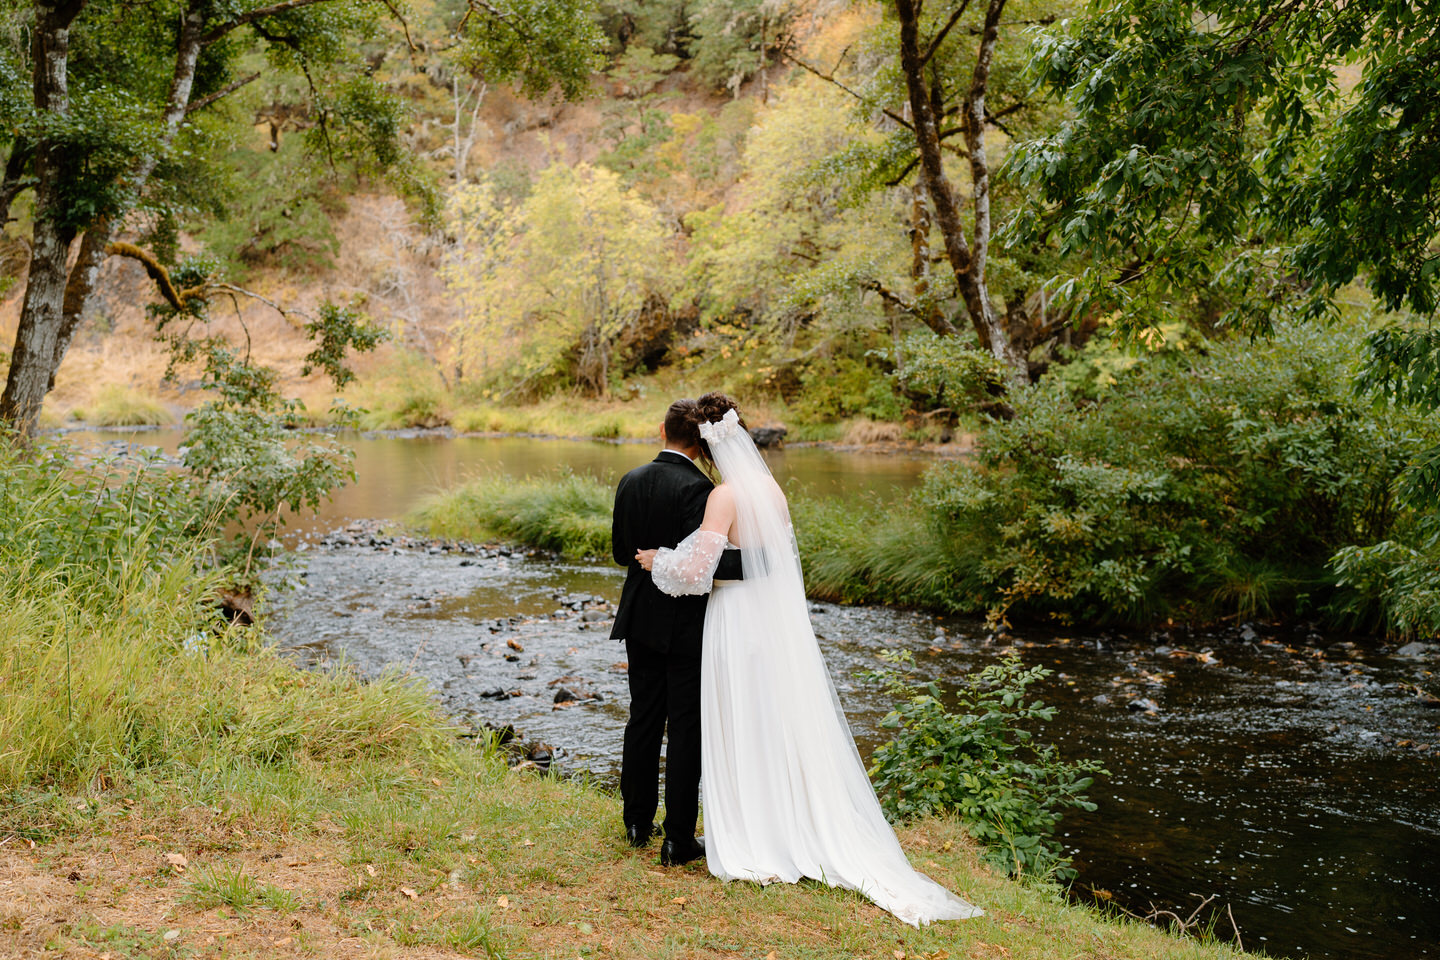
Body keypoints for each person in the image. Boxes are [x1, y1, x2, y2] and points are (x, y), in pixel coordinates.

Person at [635, 392, 983, 926]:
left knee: (736, 721)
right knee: (769, 721)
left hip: (734, 621)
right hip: (770, 622)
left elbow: (697, 574)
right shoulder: (772, 492)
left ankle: (751, 834)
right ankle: (781, 823)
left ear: (707, 447)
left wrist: (660, 559)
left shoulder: (723, 497)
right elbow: (769, 562)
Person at [610, 398, 744, 867]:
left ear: (661, 431)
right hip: (688, 626)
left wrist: (652, 558)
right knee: (686, 729)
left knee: (642, 718)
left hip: (639, 620)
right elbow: (708, 568)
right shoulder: (703, 490)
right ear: (700, 441)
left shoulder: (631, 480)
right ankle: (678, 838)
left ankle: (636, 822)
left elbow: (621, 553)